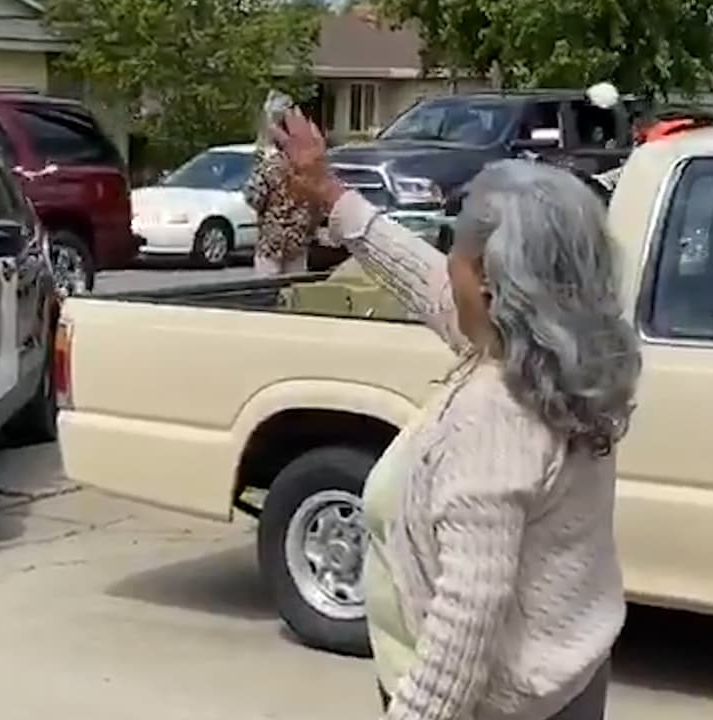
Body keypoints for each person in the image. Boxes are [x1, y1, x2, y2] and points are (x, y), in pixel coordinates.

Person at [271, 108, 642, 720]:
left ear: (494, 285)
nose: (445, 265)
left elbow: (464, 625)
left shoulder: (494, 417)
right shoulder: (557, 358)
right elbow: (429, 285)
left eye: (458, 253)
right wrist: (329, 192)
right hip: (567, 684)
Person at [243, 95, 319, 276]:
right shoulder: (307, 163)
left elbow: (255, 197)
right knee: (293, 293)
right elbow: (317, 204)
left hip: (273, 241)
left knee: (267, 294)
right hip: (298, 241)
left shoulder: (271, 163)